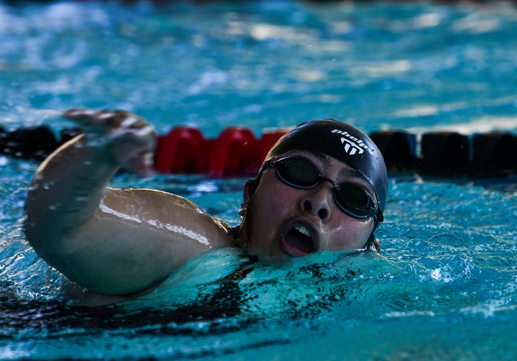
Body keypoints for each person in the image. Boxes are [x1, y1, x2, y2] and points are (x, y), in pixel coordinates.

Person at [24, 108, 388, 304]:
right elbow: (62, 229)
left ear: (369, 244)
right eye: (299, 172)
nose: (320, 201)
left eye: (353, 199)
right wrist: (97, 153)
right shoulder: (197, 249)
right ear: (249, 196)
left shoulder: (374, 291)